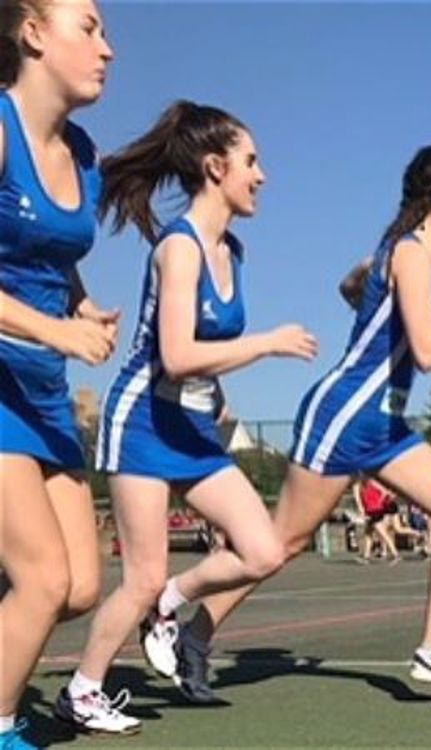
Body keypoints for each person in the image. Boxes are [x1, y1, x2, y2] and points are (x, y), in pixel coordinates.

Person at [146, 145, 431, 695]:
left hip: (384, 425)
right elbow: (427, 352)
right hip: (345, 418)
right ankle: (181, 617)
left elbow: (350, 286)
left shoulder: (395, 255)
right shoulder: (409, 254)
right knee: (280, 544)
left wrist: (372, 294)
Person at [54, 101, 318, 734]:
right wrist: (266, 343)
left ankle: (171, 604)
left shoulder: (234, 250)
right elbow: (174, 355)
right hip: (142, 420)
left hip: (191, 427)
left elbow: (201, 358)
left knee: (263, 548)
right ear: (214, 166)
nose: (262, 175)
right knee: (139, 577)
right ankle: (83, 690)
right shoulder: (180, 248)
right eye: (251, 162)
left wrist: (219, 398)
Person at [0, 3, 116, 746]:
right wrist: (53, 328)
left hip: (41, 388)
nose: (109, 48)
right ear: (33, 33)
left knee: (78, 586)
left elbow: (51, 254)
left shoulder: (84, 156)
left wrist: (84, 307)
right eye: (90, 27)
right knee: (40, 580)